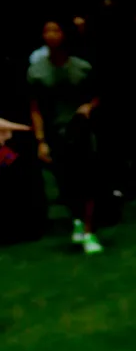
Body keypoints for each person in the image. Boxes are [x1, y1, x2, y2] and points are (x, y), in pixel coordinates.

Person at [27, 19, 103, 254]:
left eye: (55, 30)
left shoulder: (81, 67)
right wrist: (40, 141)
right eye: (46, 31)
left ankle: (90, 231)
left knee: (88, 181)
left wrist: (89, 107)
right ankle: (77, 220)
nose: (51, 35)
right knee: (66, 183)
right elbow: (35, 108)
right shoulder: (36, 71)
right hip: (55, 133)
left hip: (81, 130)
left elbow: (97, 95)